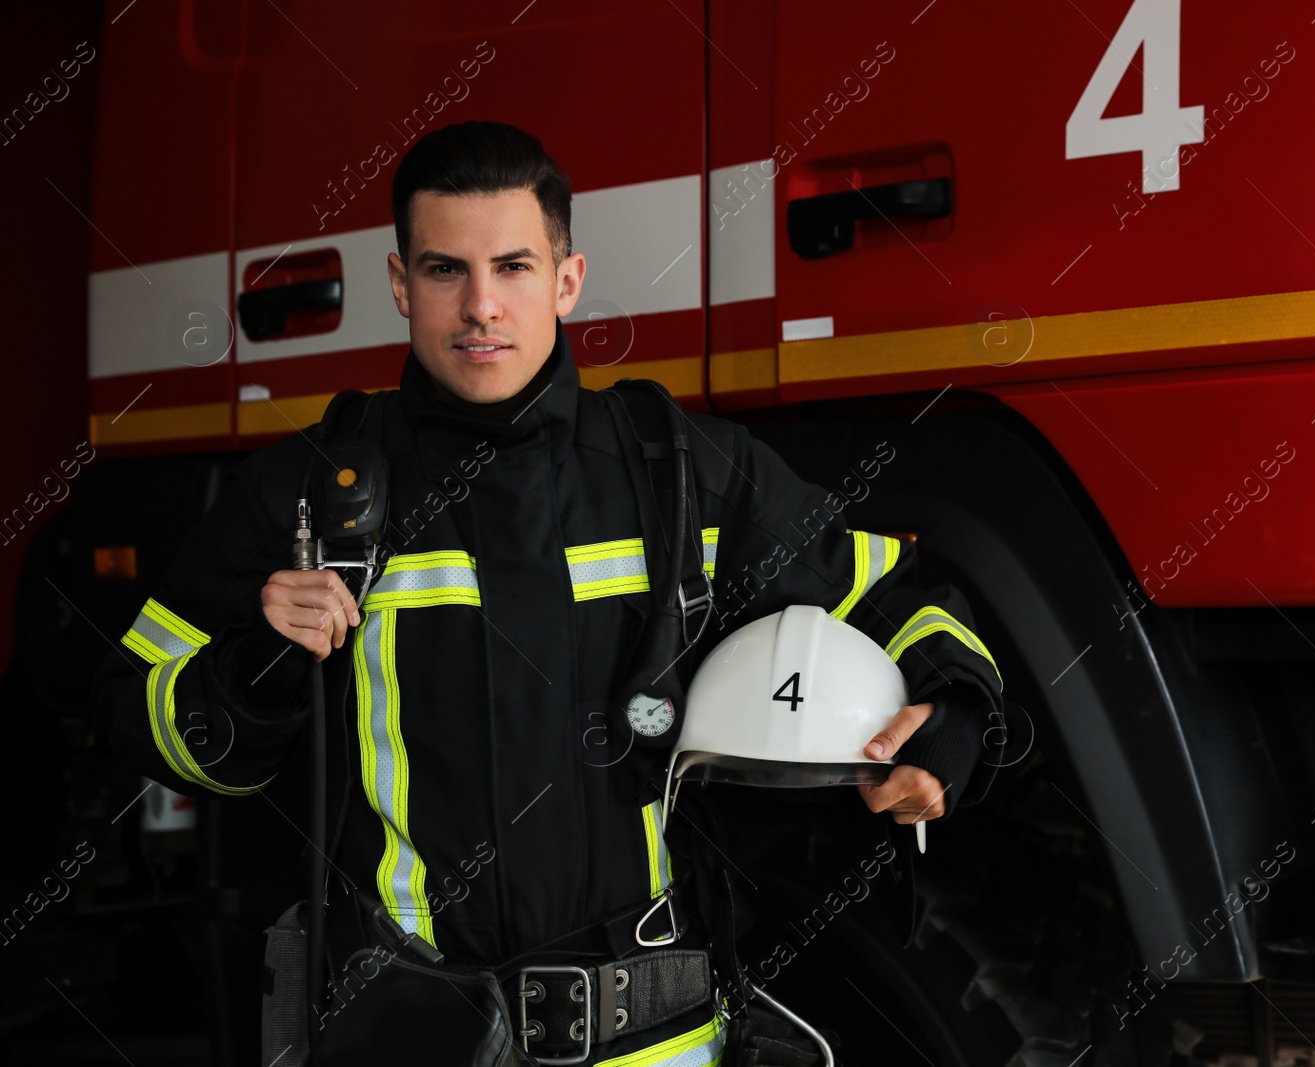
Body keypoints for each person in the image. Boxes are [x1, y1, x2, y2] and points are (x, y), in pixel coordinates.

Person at [90, 120, 1006, 1065]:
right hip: (406, 1033)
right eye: (446, 271)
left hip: (649, 1038)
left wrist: (954, 718)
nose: (481, 306)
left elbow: (890, 589)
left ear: (566, 280)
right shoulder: (307, 495)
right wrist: (258, 667)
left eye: (515, 268)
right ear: (400, 284)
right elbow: (140, 717)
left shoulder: (680, 472)